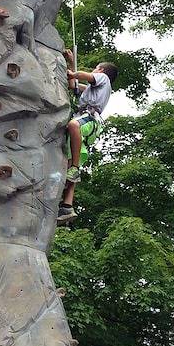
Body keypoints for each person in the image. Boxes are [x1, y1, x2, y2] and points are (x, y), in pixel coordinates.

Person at [58, 52, 118, 224]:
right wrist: (71, 64)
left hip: (89, 119)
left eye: (96, 69)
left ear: (101, 70)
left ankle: (75, 168)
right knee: (69, 160)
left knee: (73, 125)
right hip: (86, 126)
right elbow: (73, 86)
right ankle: (67, 207)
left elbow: (85, 76)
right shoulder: (91, 90)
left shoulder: (103, 79)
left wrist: (74, 73)